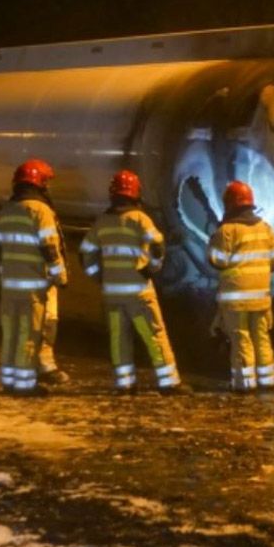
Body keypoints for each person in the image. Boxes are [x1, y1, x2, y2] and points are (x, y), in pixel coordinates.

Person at [79, 169, 190, 395]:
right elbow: (157, 244)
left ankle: (124, 384)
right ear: (136, 193)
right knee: (153, 335)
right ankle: (168, 382)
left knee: (119, 339)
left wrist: (98, 275)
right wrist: (152, 268)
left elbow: (85, 253)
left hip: (112, 295)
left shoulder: (102, 222)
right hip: (138, 294)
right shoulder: (140, 219)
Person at [0, 159, 69, 395]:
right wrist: (60, 276)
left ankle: (9, 381)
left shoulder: (6, 210)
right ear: (39, 183)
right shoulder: (40, 211)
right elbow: (50, 247)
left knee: (11, 335)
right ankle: (25, 385)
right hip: (33, 288)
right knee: (30, 334)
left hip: (10, 288)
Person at [207, 181, 274, 392]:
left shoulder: (227, 231)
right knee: (262, 337)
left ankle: (244, 384)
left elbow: (217, 261)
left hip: (236, 299)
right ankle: (268, 381)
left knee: (241, 338)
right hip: (261, 299)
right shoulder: (265, 228)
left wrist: (213, 241)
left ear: (229, 204)